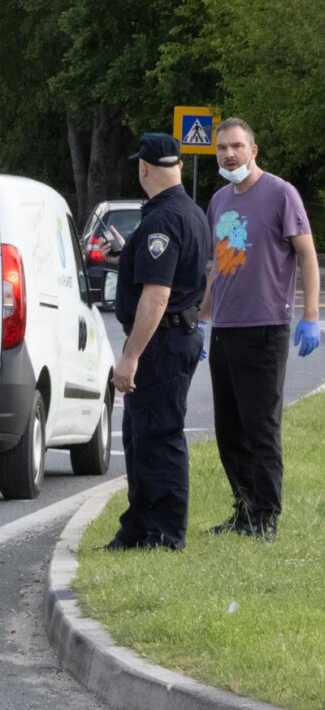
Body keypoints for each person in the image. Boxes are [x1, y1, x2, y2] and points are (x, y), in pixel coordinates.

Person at [197, 118, 320, 542]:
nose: (229, 154)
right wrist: (203, 320)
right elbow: (219, 266)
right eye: (222, 149)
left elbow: (306, 256)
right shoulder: (218, 201)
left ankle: (266, 519)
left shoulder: (280, 194)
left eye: (236, 146)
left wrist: (310, 316)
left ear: (254, 150)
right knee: (229, 428)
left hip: (265, 328)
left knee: (260, 427)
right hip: (226, 329)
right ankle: (244, 509)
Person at [105, 133, 213, 551]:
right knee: (139, 435)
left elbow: (158, 293)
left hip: (160, 343)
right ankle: (138, 525)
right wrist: (127, 254)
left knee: (160, 437)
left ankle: (165, 533)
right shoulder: (189, 212)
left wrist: (130, 355)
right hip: (172, 336)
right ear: (180, 167)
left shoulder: (162, 220)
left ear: (143, 168)